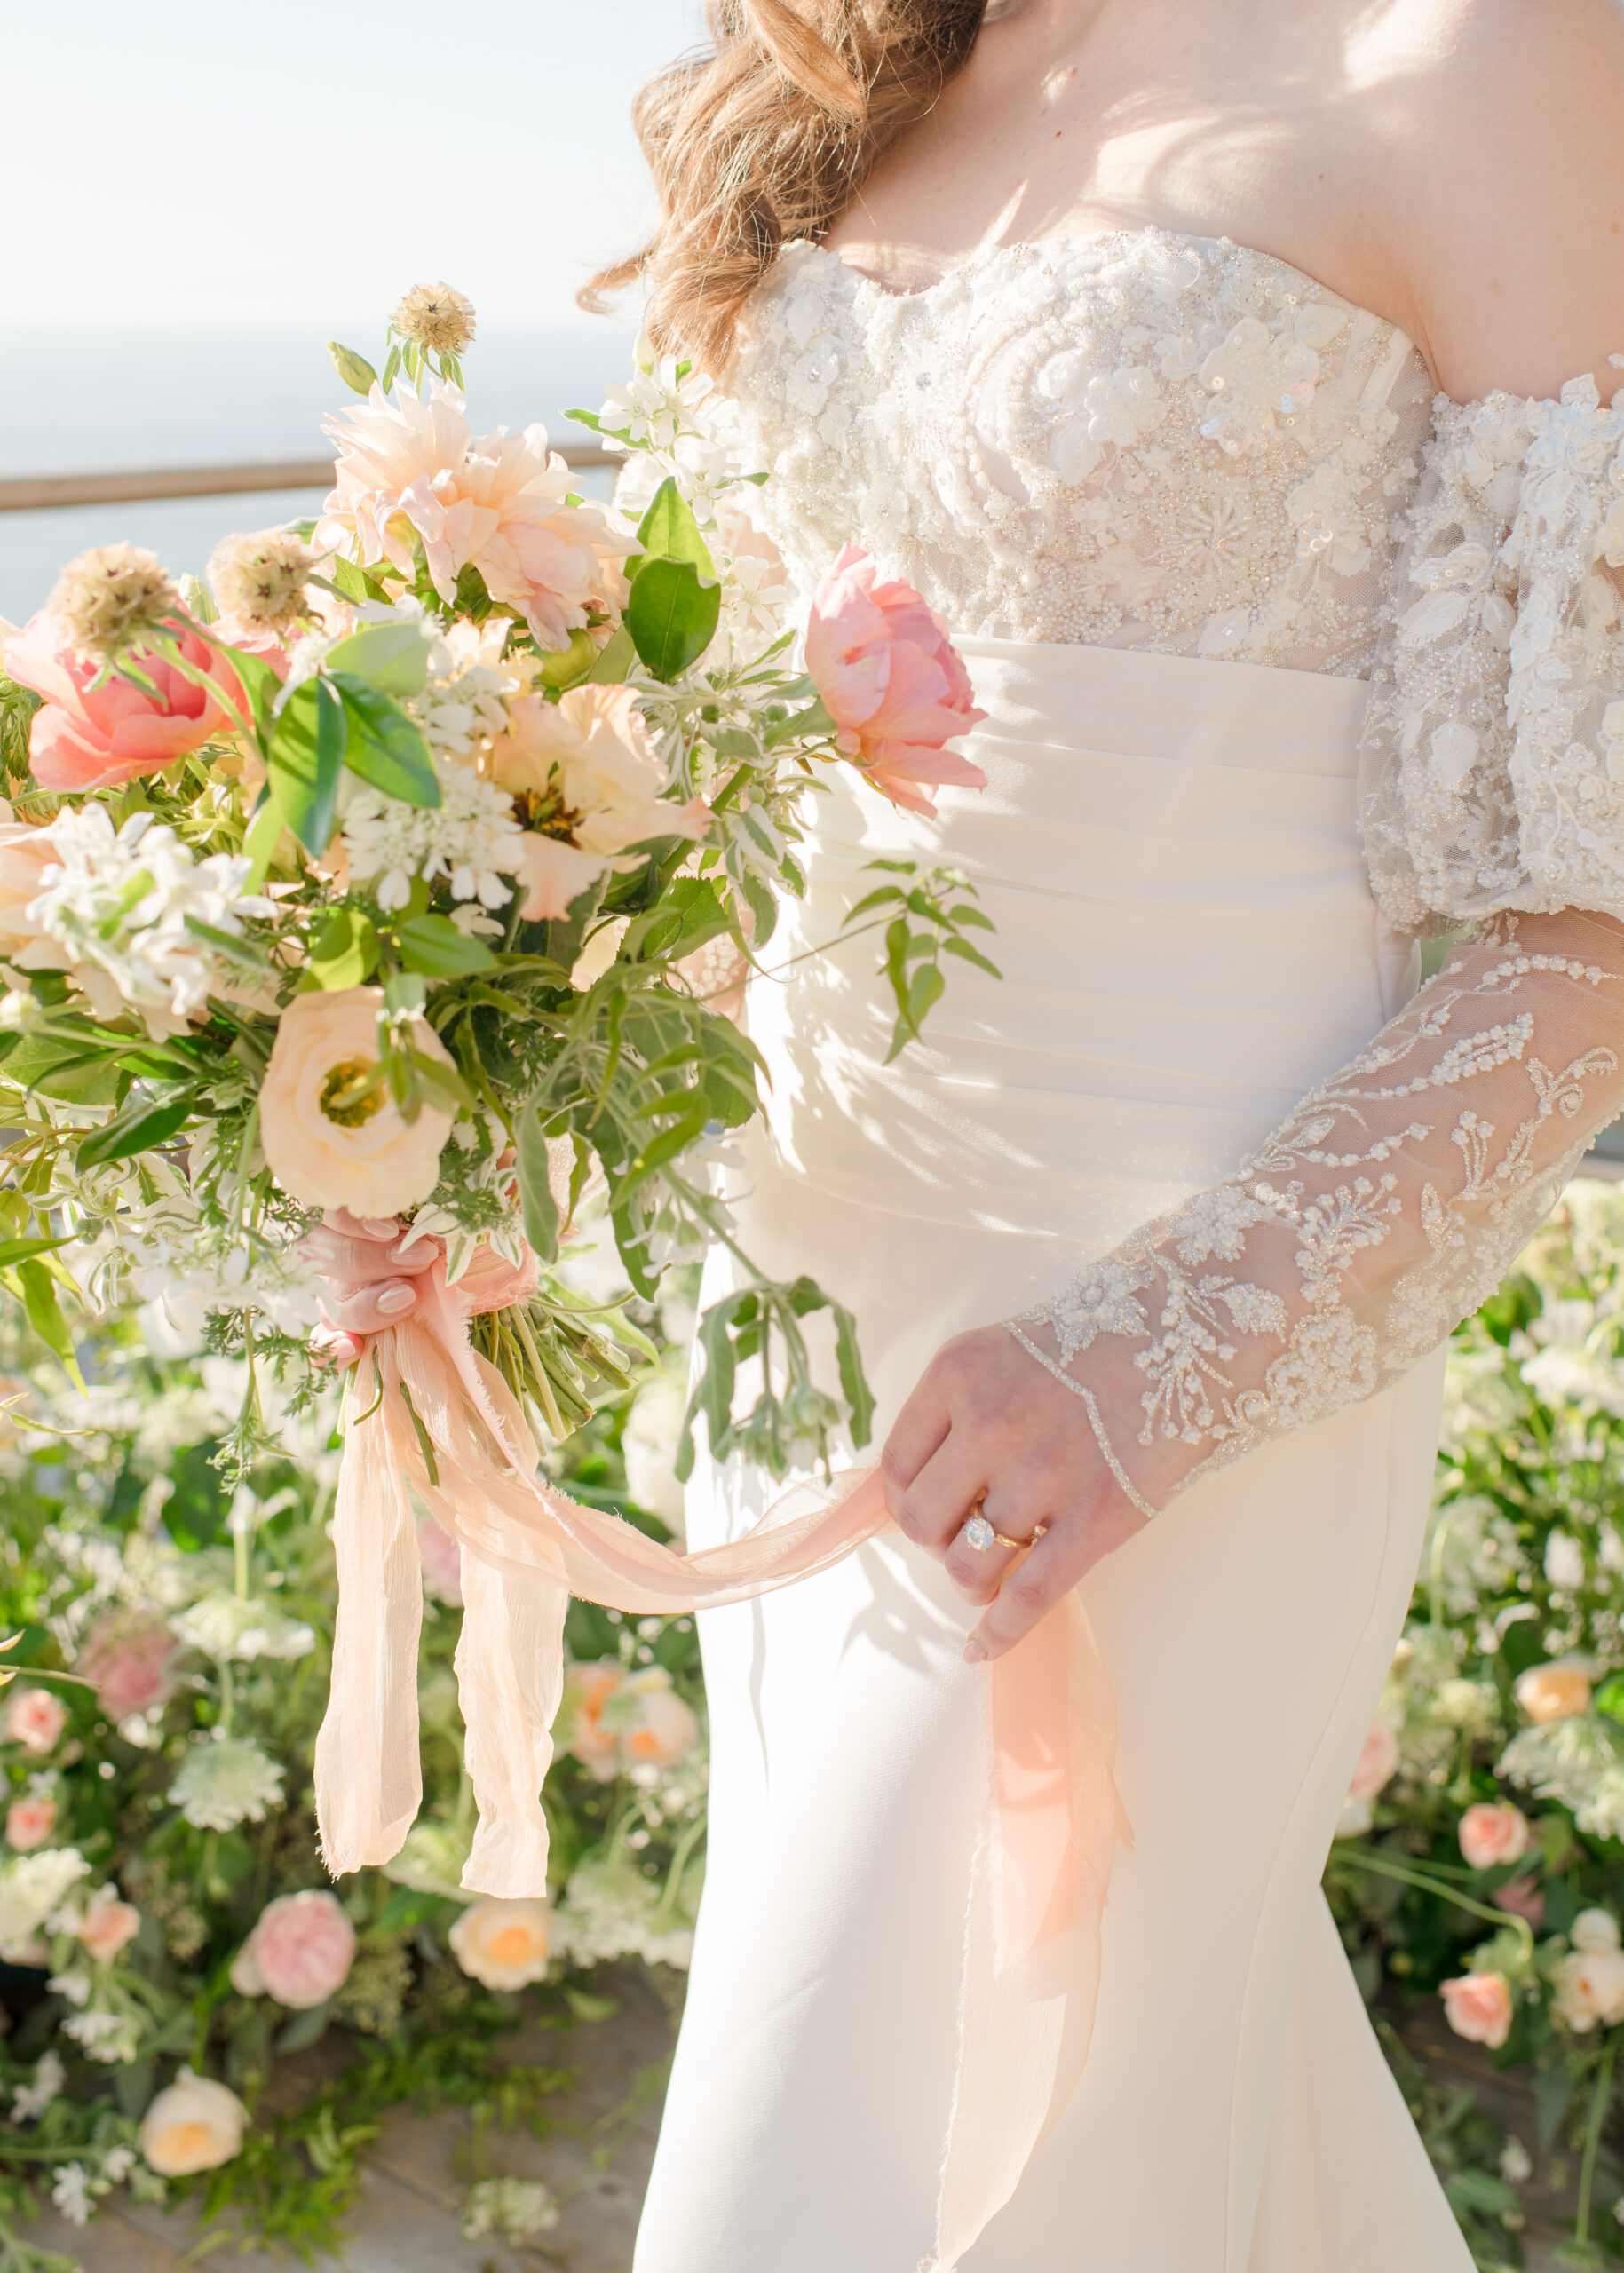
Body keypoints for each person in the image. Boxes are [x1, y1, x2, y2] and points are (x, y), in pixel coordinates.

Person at [566, 2, 1624, 2267]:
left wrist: (1162, 1353)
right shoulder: (857, 64)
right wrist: (464, 1141)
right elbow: (715, 771)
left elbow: (1592, 914)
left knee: (916, 2136)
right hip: (789, 1301)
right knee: (1081, 2097)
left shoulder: (1495, 47)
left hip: (1182, 1336)